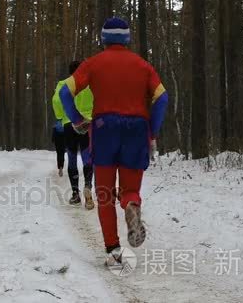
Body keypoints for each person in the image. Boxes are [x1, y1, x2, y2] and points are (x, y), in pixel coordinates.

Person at [59, 17, 168, 265]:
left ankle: (113, 249)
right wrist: (151, 132)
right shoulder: (143, 66)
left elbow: (65, 92)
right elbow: (162, 99)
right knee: (130, 189)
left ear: (104, 38)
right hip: (137, 129)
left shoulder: (93, 64)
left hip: (104, 128)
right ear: (127, 38)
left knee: (105, 193)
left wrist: (76, 119)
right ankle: (131, 205)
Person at [52, 61, 95, 209]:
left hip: (69, 124)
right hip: (88, 123)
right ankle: (88, 185)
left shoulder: (63, 84)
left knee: (71, 157)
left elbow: (56, 100)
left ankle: (75, 194)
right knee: (87, 156)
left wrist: (60, 116)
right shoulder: (90, 84)